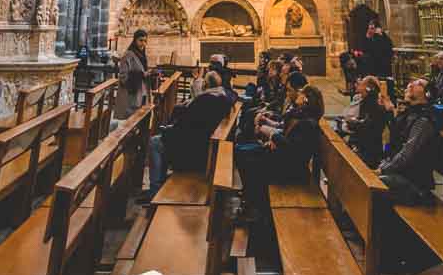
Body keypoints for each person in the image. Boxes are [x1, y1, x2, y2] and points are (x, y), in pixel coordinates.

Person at [236, 82, 324, 215]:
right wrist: (275, 139)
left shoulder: (308, 123)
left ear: (306, 99)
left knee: (245, 155)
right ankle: (251, 197)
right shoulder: (302, 116)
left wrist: (273, 136)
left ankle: (254, 203)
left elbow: (293, 149)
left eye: (301, 94)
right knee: (242, 150)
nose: (298, 95)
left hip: (290, 168)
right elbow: (288, 137)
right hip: (282, 157)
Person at [147, 71, 234, 195]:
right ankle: (159, 185)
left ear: (205, 84)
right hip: (203, 146)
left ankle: (154, 190)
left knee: (155, 142)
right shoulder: (223, 98)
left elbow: (183, 128)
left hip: (193, 151)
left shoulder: (203, 101)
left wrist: (166, 130)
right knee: (162, 139)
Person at [376, 78, 441, 204]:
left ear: (427, 94)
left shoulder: (423, 120)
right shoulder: (409, 114)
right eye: (412, 83)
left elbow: (406, 154)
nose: (411, 84)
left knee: (371, 184)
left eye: (420, 84)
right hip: (402, 175)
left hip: (415, 185)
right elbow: (391, 146)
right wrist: (389, 112)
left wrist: (382, 170)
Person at [343, 75, 388, 167]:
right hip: (361, 147)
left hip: (369, 152)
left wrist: (352, 123)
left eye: (362, 84)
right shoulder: (365, 101)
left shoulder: (376, 106)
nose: (358, 87)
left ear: (368, 88)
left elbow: (367, 127)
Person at [116, 29, 150, 118]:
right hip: (131, 94)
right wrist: (142, 75)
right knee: (131, 120)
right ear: (135, 40)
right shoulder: (128, 55)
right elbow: (123, 76)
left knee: (140, 119)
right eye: (141, 40)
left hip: (141, 92)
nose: (143, 43)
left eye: (145, 41)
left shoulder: (142, 55)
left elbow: (143, 71)